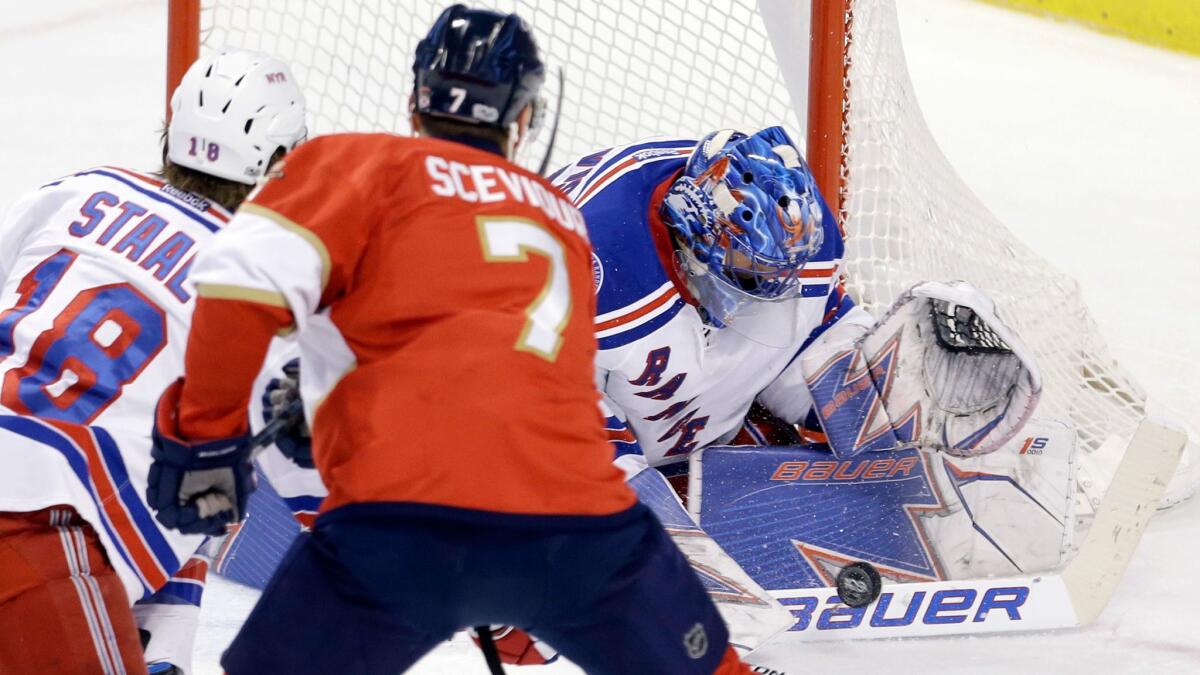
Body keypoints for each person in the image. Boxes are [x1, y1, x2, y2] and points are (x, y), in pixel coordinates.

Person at [144, 5, 754, 674]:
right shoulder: (562, 220)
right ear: (523, 117)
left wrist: (203, 436)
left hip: (400, 529)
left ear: (414, 102)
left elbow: (240, 283)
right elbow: (501, 373)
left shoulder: (356, 163)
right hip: (583, 531)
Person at [0, 48, 307, 674]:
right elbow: (330, 493)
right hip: (34, 533)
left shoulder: (80, 189)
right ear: (280, 166)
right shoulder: (265, 289)